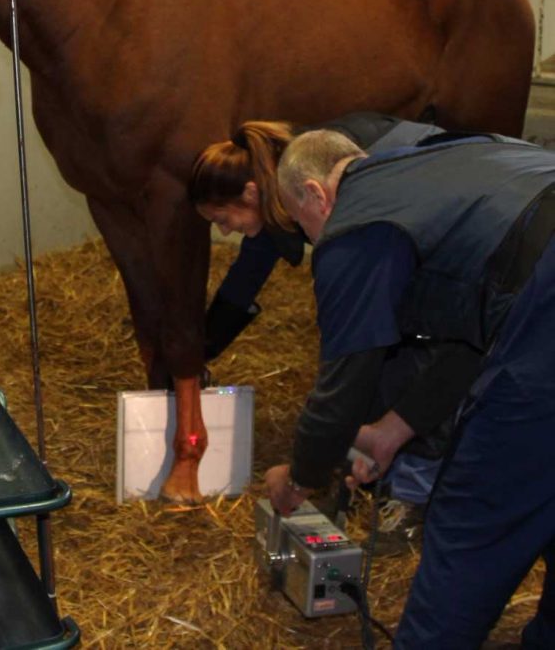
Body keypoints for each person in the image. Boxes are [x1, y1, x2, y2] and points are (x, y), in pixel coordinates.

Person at [268, 127, 555, 648]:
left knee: (473, 514)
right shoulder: (440, 160)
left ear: (315, 193)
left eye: (302, 223)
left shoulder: (356, 224)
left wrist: (300, 476)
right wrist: (390, 431)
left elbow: (344, 384)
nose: (311, 241)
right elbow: (477, 338)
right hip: (535, 289)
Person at [189, 114, 479, 512]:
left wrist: (302, 475)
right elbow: (245, 278)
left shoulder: (341, 200)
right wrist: (200, 350)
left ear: (252, 193)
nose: (224, 232)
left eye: (223, 220)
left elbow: (355, 352)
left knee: (421, 346)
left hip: (458, 233)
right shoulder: (283, 182)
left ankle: (414, 491)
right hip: (464, 203)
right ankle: (384, 461)